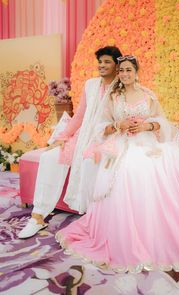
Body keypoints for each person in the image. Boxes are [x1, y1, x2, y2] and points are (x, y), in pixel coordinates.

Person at [55, 55, 179, 273]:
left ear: (136, 72)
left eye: (128, 70)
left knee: (167, 168)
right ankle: (128, 237)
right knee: (129, 169)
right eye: (121, 70)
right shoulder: (113, 97)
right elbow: (100, 127)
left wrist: (148, 126)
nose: (124, 74)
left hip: (148, 144)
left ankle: (157, 234)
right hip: (123, 144)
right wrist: (118, 124)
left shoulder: (148, 96)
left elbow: (164, 123)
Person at [18, 46, 122, 239]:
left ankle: (94, 220)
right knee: (50, 157)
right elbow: (79, 116)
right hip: (83, 135)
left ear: (117, 65)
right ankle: (37, 216)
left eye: (107, 61)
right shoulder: (90, 85)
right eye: (100, 62)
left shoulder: (121, 86)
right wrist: (63, 137)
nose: (102, 65)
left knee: (91, 162)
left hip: (107, 137)